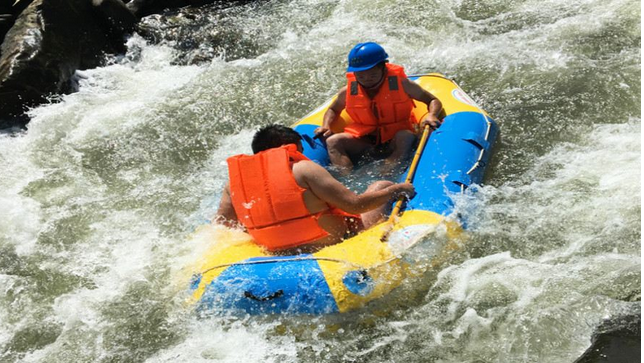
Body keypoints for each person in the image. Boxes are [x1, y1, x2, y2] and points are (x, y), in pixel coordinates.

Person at [214, 124, 415, 254]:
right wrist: (395, 190)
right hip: (329, 247)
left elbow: (223, 226)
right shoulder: (304, 169)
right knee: (380, 186)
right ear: (289, 147)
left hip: (274, 252)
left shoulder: (234, 182)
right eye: (300, 150)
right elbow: (355, 205)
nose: (303, 155)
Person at [314, 42, 443, 173]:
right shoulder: (348, 91)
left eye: (372, 75)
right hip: (365, 141)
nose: (366, 80)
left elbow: (432, 100)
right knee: (333, 141)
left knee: (405, 136)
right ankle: (347, 182)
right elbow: (333, 109)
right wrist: (326, 125)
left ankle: (388, 173)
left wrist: (431, 114)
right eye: (361, 76)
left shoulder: (402, 84)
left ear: (384, 68)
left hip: (395, 140)